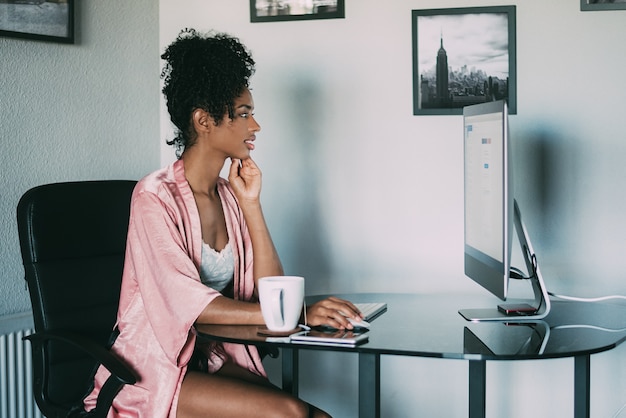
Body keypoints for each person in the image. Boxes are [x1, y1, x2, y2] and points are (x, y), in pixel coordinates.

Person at [84, 28, 363, 418]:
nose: (256, 126)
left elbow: (267, 294)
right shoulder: (154, 196)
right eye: (245, 113)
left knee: (317, 416)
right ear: (203, 121)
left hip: (209, 357)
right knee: (291, 414)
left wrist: (251, 205)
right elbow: (193, 309)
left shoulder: (229, 195)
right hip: (150, 367)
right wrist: (299, 313)